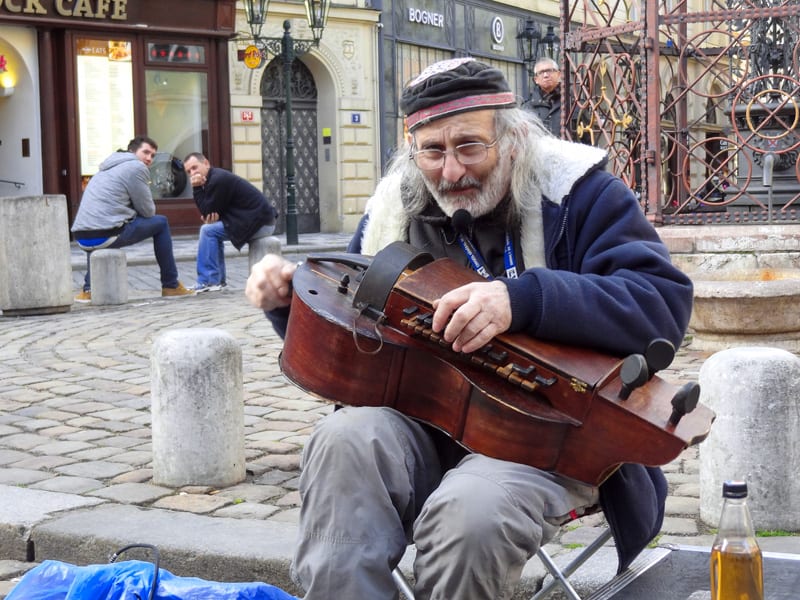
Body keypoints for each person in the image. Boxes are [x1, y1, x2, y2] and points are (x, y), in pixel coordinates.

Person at [245, 57, 694, 599]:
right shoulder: (397, 205)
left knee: (470, 512)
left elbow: (661, 304)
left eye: (469, 147)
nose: (451, 172)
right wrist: (286, 302)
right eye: (432, 151)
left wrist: (521, 299)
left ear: (512, 139)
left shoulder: (578, 192)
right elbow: (355, 333)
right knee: (342, 443)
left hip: (547, 434)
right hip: (423, 423)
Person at [71, 135, 194, 302]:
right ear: (132, 151)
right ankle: (171, 285)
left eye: (152, 155)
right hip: (106, 234)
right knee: (161, 223)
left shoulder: (104, 169)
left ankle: (89, 289)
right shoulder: (136, 167)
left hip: (82, 236)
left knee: (97, 224)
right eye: (146, 152)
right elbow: (148, 211)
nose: (149, 158)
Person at [183, 152, 278, 293]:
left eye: (195, 167)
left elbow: (208, 211)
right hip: (256, 220)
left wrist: (197, 189)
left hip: (261, 223)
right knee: (211, 230)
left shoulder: (217, 179)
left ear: (206, 164)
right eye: (189, 171)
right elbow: (210, 212)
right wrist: (209, 213)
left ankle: (209, 280)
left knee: (207, 231)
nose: (192, 173)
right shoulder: (212, 179)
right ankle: (217, 280)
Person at [522, 56, 562, 136]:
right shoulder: (527, 108)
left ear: (559, 75)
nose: (546, 75)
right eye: (541, 72)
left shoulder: (573, 104)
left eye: (550, 71)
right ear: (536, 79)